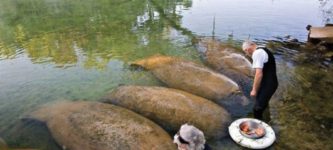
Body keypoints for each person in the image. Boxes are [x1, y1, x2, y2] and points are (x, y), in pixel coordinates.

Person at [242, 41, 278, 120]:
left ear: (248, 49)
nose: (246, 54)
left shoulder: (257, 53)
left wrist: (254, 90)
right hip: (269, 82)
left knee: (257, 109)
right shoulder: (262, 49)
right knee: (261, 102)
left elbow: (259, 74)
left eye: (245, 51)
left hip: (269, 84)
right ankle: (267, 117)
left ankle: (259, 126)